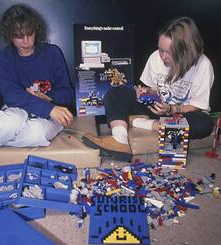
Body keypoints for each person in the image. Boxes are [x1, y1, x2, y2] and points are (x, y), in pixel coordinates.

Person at [82, 16, 214, 161]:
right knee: (115, 92)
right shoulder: (155, 58)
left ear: (185, 51)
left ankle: (146, 124)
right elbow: (155, 89)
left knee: (205, 123)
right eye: (160, 50)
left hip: (181, 115)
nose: (163, 57)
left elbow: (197, 106)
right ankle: (119, 140)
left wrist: (171, 109)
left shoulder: (203, 65)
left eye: (169, 52)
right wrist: (146, 92)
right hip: (157, 109)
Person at [0, 4, 74, 152]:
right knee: (7, 123)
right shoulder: (4, 57)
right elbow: (11, 95)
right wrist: (48, 108)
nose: (26, 41)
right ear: (9, 35)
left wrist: (48, 99)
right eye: (19, 36)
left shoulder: (52, 53)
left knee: (37, 133)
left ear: (36, 30)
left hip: (50, 116)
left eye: (30, 33)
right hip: (19, 109)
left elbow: (67, 93)